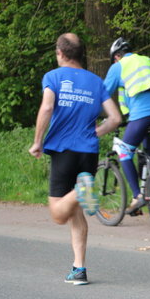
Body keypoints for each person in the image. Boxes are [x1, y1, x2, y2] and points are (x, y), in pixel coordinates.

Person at [29, 33, 122, 285]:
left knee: (59, 214)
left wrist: (38, 141)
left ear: (60, 53)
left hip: (63, 150)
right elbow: (115, 118)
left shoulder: (53, 77)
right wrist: (96, 132)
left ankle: (82, 190)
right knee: (76, 212)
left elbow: (47, 107)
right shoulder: (96, 81)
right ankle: (79, 268)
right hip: (88, 153)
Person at [104, 37, 150, 214]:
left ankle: (137, 196)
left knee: (124, 151)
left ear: (117, 56)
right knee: (145, 137)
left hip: (142, 116)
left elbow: (103, 94)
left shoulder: (119, 66)